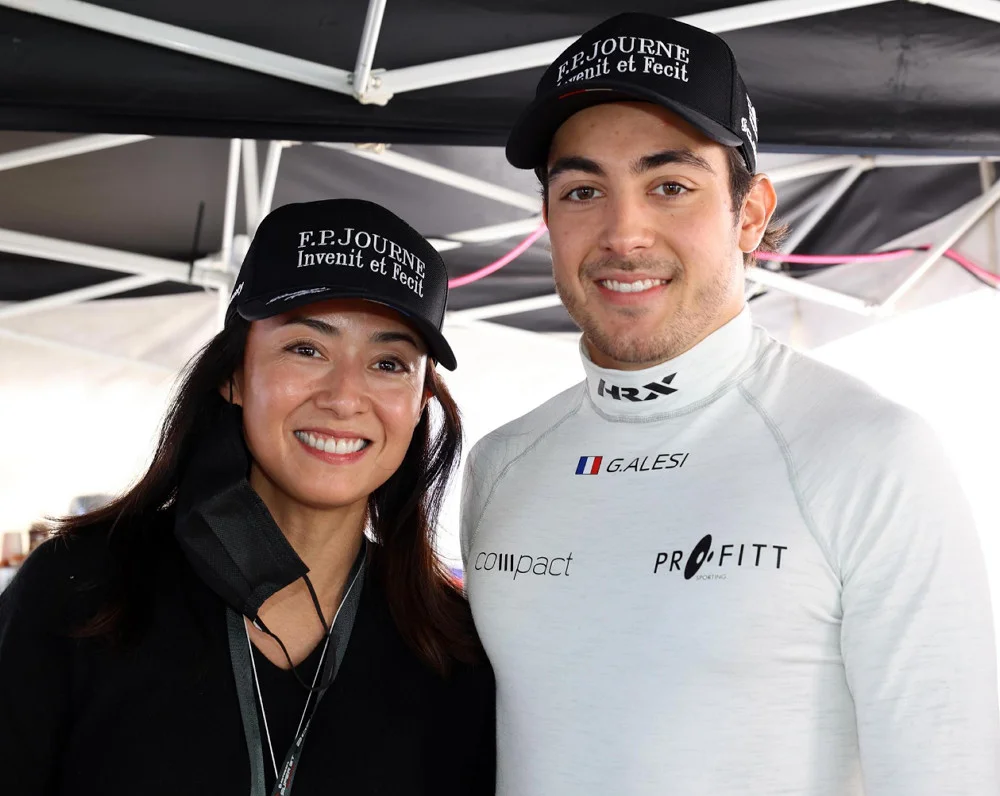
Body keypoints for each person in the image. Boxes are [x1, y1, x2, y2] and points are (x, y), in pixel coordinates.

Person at [460, 12, 999, 796]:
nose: (623, 233)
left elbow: (949, 773)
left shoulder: (870, 452)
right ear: (548, 220)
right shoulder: (501, 464)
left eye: (670, 187)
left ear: (749, 215)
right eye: (583, 191)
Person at [0, 199, 495, 796]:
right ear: (234, 375)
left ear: (420, 404)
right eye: (306, 349)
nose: (344, 398)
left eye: (389, 363)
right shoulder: (83, 588)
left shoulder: (454, 647)